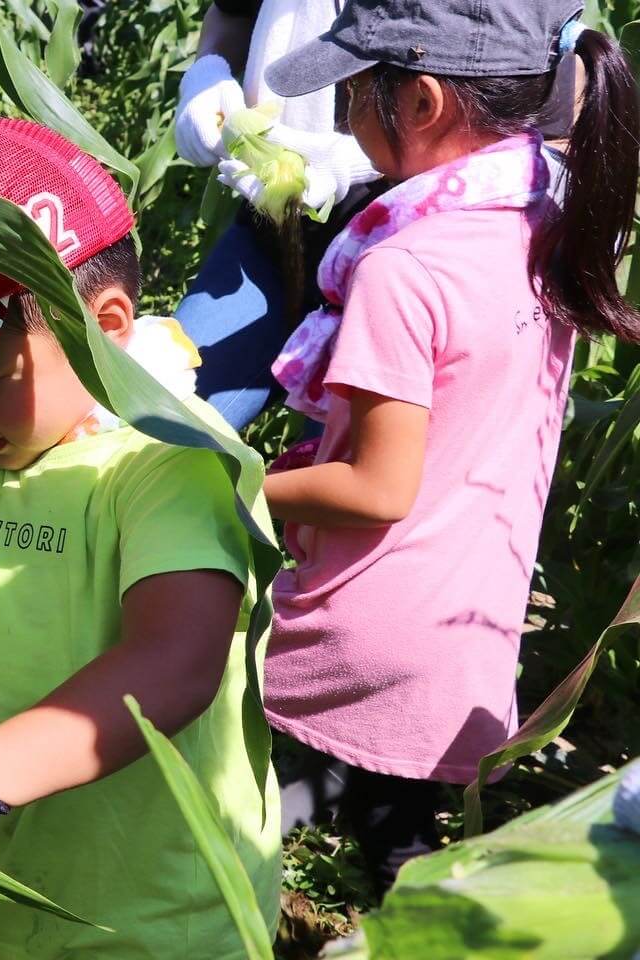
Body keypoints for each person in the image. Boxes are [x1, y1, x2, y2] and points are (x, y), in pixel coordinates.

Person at [0, 118, 280, 959]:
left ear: (104, 325)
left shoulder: (172, 456)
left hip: (164, 919)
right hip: (10, 890)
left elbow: (174, 662)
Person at [257, 0, 640, 893]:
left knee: (247, 818)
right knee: (396, 844)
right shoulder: (548, 225)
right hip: (465, 625)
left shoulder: (405, 268)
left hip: (362, 621)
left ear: (421, 102)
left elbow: (380, 489)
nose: (345, 117)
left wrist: (243, 483)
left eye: (354, 93)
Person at [172, 0, 383, 430]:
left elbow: (535, 122)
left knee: (334, 473)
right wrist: (206, 77)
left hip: (386, 271)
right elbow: (231, 13)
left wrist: (355, 159)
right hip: (267, 240)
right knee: (153, 422)